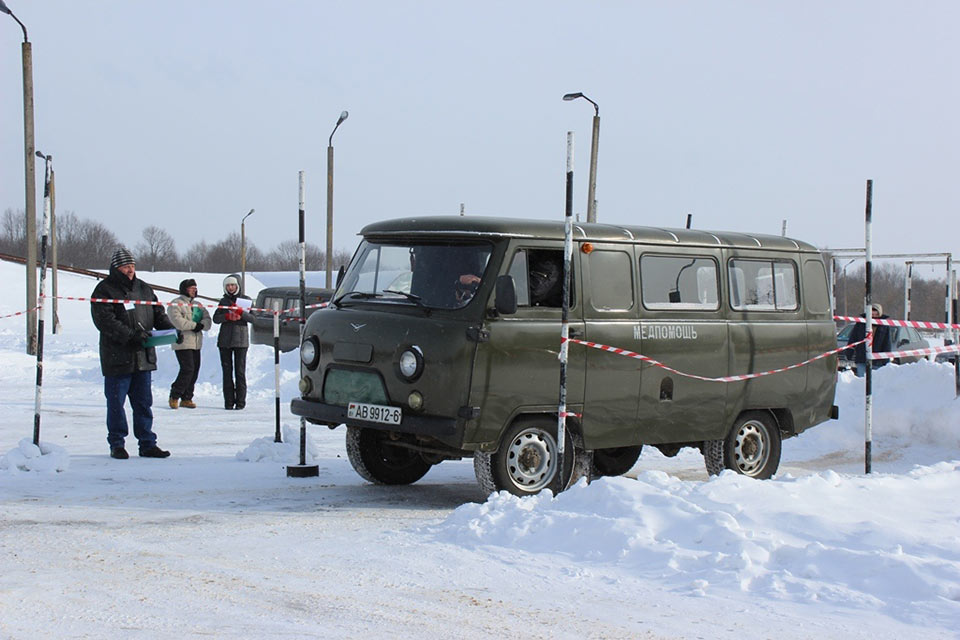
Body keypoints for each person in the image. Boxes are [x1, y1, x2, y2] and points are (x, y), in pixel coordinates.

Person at [90, 247, 174, 459]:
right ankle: (117, 444)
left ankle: (147, 443)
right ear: (116, 268)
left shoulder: (144, 289)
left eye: (132, 266)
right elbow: (105, 321)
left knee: (143, 403)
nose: (130, 270)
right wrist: (130, 335)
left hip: (143, 358)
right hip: (118, 357)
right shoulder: (104, 290)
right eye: (126, 266)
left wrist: (171, 330)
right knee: (116, 403)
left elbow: (158, 312)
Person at [167, 278, 212, 409]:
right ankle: (174, 395)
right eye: (191, 288)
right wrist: (194, 325)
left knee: (195, 370)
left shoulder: (198, 304)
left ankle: (187, 398)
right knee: (187, 369)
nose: (194, 290)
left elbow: (207, 320)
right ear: (184, 289)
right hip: (183, 342)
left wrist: (202, 325)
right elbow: (177, 321)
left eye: (195, 288)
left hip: (197, 343)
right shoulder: (176, 303)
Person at [213, 273, 253, 410]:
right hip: (224, 341)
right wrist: (227, 316)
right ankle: (228, 402)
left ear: (238, 286)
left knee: (240, 372)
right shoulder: (223, 302)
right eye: (228, 285)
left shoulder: (246, 300)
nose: (230, 288)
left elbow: (254, 319)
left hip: (241, 342)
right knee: (227, 372)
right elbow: (216, 318)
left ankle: (240, 402)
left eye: (233, 285)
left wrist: (241, 313)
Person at [846, 303, 892, 377]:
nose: (873, 314)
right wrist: (849, 353)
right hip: (862, 358)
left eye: (875, 311)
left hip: (877, 361)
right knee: (862, 381)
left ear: (879, 313)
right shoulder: (860, 323)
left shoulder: (884, 326)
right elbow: (853, 338)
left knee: (876, 382)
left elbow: (887, 344)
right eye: (871, 311)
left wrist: (886, 360)